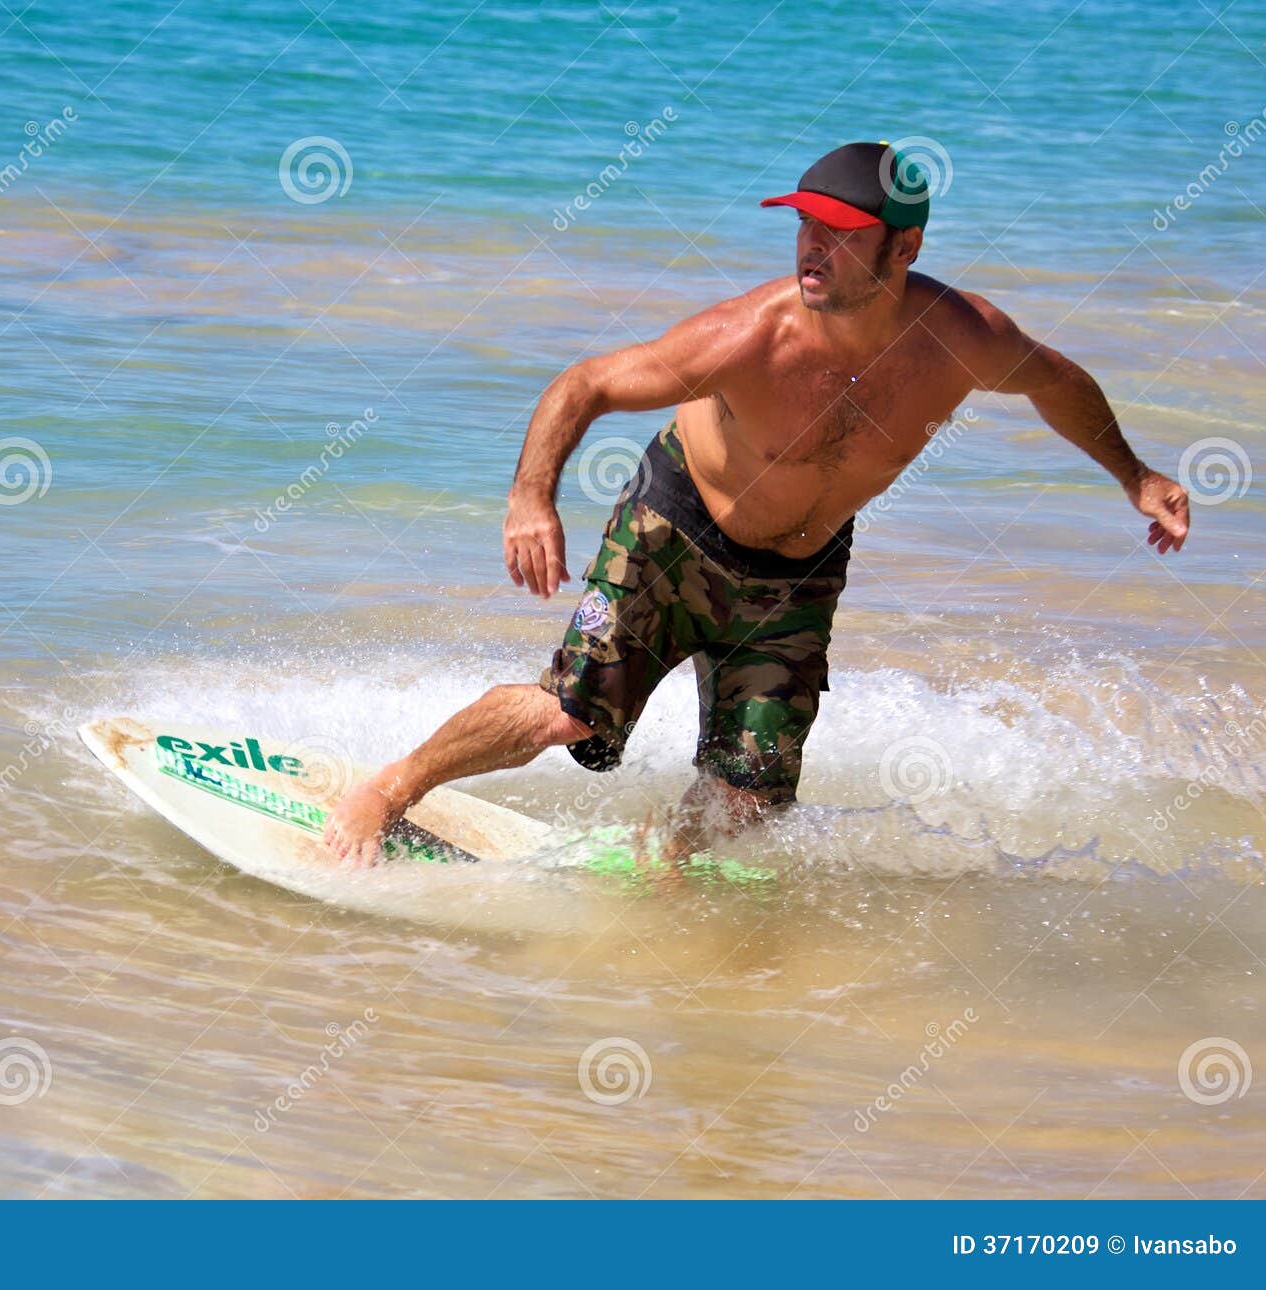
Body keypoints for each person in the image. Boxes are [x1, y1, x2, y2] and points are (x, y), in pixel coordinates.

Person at [323, 140, 1191, 864]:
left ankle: (670, 863)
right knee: (568, 711)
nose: (812, 246)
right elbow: (585, 382)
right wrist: (530, 498)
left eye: (841, 233)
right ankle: (388, 788)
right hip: (674, 531)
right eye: (805, 224)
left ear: (905, 248)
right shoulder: (749, 337)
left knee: (752, 798)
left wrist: (1135, 476)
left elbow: (1057, 382)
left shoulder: (963, 339)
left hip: (799, 577)